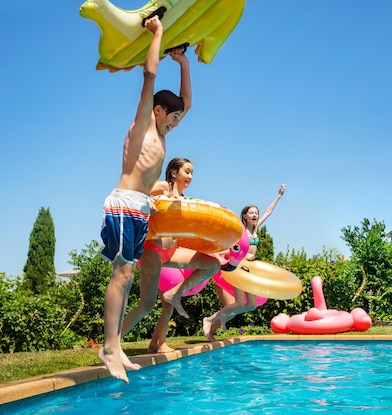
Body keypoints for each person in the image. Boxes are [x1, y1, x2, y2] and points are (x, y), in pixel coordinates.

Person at [98, 16, 196, 383]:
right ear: (157, 110)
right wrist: (156, 34)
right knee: (121, 276)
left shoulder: (163, 132)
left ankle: (115, 345)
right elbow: (150, 77)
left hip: (140, 209)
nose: (175, 124)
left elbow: (185, 102)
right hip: (124, 202)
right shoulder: (143, 123)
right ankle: (109, 346)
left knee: (125, 278)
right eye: (171, 118)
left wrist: (184, 63)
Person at [121, 158, 221, 354]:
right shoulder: (163, 187)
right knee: (146, 305)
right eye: (187, 171)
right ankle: (111, 345)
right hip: (152, 250)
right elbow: (134, 193)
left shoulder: (184, 198)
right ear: (174, 173)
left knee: (211, 264)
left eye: (192, 173)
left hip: (172, 252)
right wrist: (147, 202)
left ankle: (157, 343)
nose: (190, 176)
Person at [203, 184, 286, 341]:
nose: (255, 215)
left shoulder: (255, 229)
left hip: (250, 268)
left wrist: (279, 196)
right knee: (239, 304)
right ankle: (210, 320)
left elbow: (268, 212)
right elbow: (233, 248)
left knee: (251, 305)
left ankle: (213, 322)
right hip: (239, 267)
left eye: (256, 213)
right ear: (245, 216)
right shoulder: (240, 230)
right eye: (251, 213)